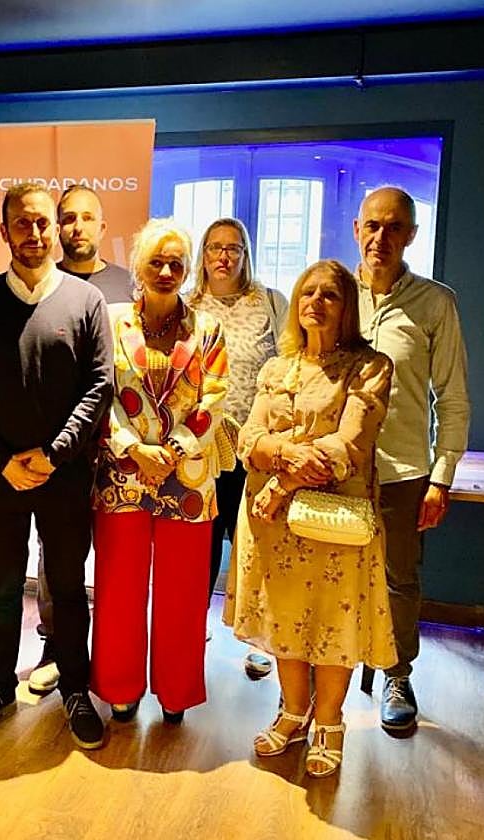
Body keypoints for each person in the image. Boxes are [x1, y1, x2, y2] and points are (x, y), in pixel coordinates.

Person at [0, 182, 112, 750]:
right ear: (5, 231)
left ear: (56, 228)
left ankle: (75, 689)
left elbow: (99, 386)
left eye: (44, 222)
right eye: (23, 223)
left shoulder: (85, 301)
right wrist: (3, 462)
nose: (36, 233)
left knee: (67, 588)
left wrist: (54, 453)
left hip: (65, 476)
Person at [225, 259, 396, 777]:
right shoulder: (278, 368)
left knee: (331, 620)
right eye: (308, 293)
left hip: (333, 520)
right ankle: (294, 712)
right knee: (284, 617)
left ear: (348, 309)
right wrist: (282, 454)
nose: (315, 302)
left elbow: (349, 445)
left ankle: (329, 722)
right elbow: (248, 439)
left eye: (330, 295)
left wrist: (282, 480)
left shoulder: (370, 367)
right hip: (270, 523)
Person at [91, 218, 228, 724]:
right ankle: (120, 686)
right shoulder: (109, 321)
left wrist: (171, 450)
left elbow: (215, 398)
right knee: (118, 589)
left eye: (176, 263)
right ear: (138, 266)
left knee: (183, 594)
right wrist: (133, 448)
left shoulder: (207, 329)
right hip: (122, 476)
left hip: (187, 477)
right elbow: (97, 393)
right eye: (157, 262)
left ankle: (175, 690)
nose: (167, 271)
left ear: (188, 269)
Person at [11, 185, 138, 695]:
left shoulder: (128, 284)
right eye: (67, 218)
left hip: (124, 449)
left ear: (103, 226)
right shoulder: (39, 286)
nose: (76, 226)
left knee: (115, 556)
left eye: (87, 217)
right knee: (54, 554)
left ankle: (110, 649)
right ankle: (55, 647)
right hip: (60, 452)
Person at [353, 187, 470, 734]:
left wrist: (441, 478)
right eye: (373, 225)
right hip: (337, 471)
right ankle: (318, 675)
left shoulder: (435, 303)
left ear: (411, 236)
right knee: (327, 570)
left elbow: (453, 398)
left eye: (394, 227)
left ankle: (397, 675)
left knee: (399, 579)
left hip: (402, 472)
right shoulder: (334, 294)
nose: (381, 237)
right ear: (357, 229)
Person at [188, 217, 288, 680]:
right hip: (203, 450)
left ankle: (260, 640)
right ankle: (192, 628)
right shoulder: (188, 305)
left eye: (234, 248)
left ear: (246, 254)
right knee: (202, 545)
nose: (224, 256)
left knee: (256, 545)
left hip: (255, 449)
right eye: (215, 247)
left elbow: (289, 368)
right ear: (203, 255)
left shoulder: (270, 302)